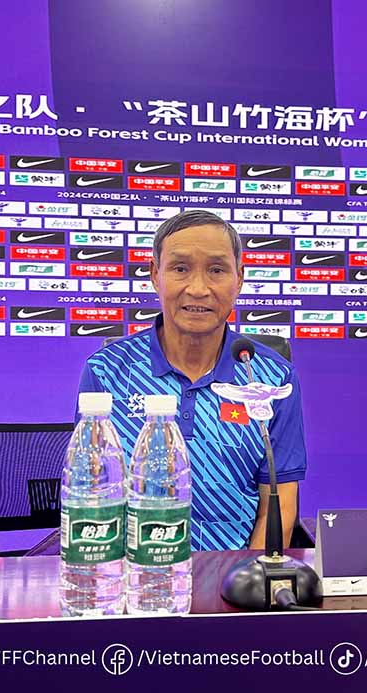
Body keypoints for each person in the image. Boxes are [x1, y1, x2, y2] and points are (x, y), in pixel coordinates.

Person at [77, 210, 307, 551]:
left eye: (216, 270)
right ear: (156, 275)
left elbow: (280, 504)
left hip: (232, 579)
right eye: (180, 268)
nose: (198, 289)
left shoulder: (273, 378)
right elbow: (91, 499)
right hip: (133, 578)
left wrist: (247, 580)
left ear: (239, 278)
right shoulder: (107, 372)